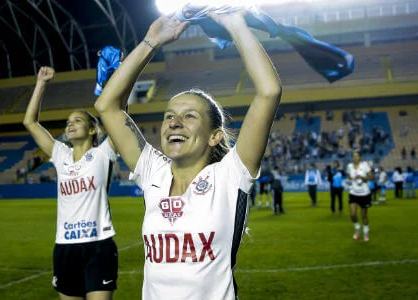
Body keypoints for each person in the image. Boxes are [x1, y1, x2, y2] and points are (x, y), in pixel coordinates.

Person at [94, 11, 281, 299]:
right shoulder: (153, 171)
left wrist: (234, 25)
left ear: (214, 136)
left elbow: (268, 92)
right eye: (169, 116)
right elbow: (107, 105)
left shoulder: (230, 176)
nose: (174, 122)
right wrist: (151, 41)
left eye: (189, 116)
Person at [23, 66, 119, 300]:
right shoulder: (60, 154)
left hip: (98, 244)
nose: (70, 124)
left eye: (77, 120)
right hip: (65, 246)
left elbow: (117, 115)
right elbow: (30, 122)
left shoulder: (104, 152)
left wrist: (114, 79)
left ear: (92, 129)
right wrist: (41, 84)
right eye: (68, 122)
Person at [346, 151, 374, 242]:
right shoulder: (349, 166)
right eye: (353, 156)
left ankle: (365, 232)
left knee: (364, 215)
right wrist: (348, 180)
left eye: (357, 156)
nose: (355, 158)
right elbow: (349, 177)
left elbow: (372, 177)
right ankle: (357, 228)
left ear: (360, 157)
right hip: (353, 192)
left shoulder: (365, 165)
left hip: (364, 194)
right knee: (353, 214)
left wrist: (364, 178)